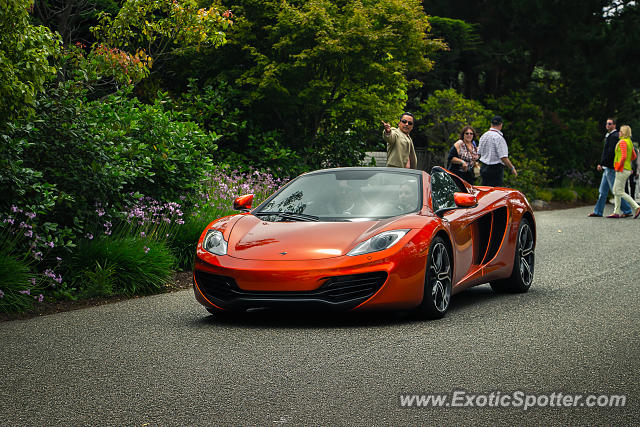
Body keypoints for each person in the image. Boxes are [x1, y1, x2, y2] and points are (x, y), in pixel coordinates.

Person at [588, 118, 633, 217]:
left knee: (616, 191)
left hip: (611, 167)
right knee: (602, 191)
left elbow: (611, 153)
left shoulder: (614, 136)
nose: (607, 125)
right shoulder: (611, 136)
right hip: (607, 167)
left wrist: (602, 163)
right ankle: (598, 212)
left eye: (609, 123)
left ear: (614, 125)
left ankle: (627, 210)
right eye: (606, 123)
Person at [606, 125, 640, 218]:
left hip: (621, 169)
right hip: (627, 169)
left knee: (619, 191)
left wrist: (619, 166)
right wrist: (628, 164)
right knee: (617, 190)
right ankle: (616, 212)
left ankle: (636, 207)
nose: (619, 133)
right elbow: (633, 156)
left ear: (624, 132)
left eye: (621, 131)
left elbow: (624, 156)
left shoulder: (622, 142)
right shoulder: (629, 142)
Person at [477, 116, 517, 186]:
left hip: (484, 167)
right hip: (495, 169)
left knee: (485, 190)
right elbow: (503, 157)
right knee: (494, 192)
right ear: (501, 125)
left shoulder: (484, 136)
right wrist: (512, 168)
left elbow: (479, 153)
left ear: (491, 124)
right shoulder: (499, 138)